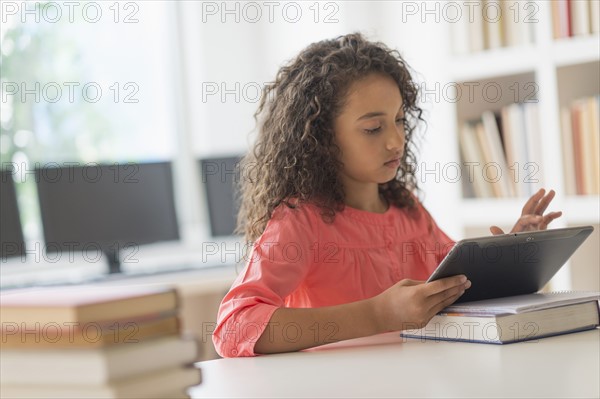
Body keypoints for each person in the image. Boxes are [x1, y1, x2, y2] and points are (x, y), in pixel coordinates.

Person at [212, 33, 562, 357]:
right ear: (320, 137)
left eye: (399, 120)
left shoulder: (408, 212)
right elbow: (232, 328)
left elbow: (457, 287)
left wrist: (510, 256)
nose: (395, 141)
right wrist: (377, 314)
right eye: (373, 128)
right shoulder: (300, 222)